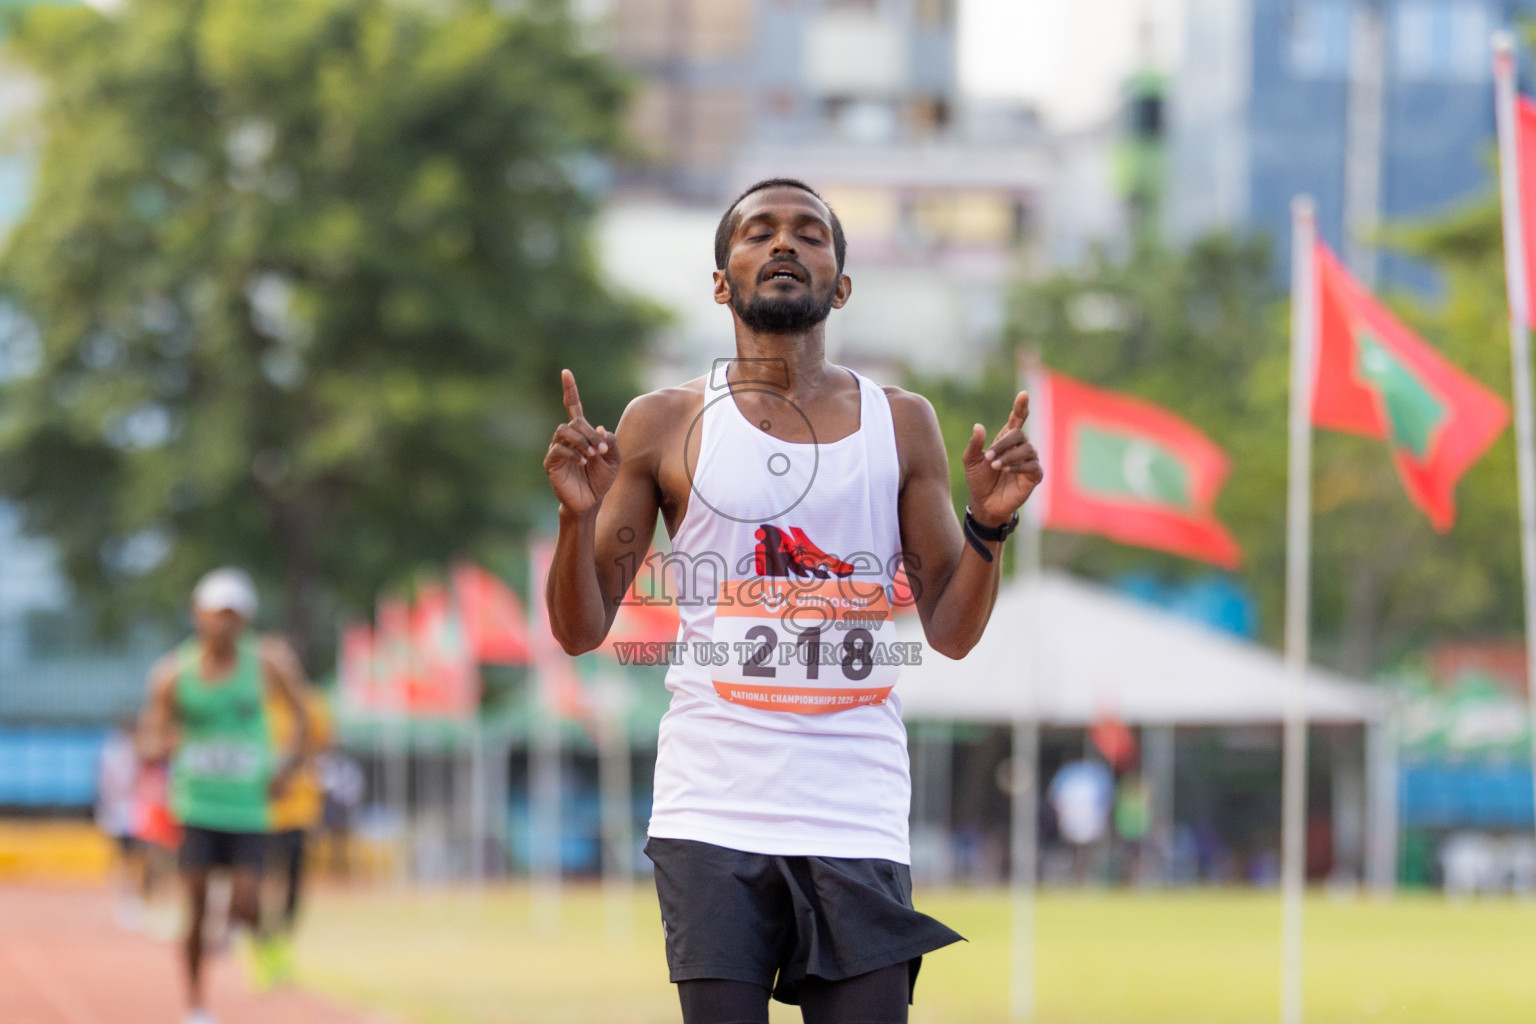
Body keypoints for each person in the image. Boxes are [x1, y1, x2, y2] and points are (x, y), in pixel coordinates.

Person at [544, 178, 1042, 1024]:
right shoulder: (662, 423)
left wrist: (988, 527)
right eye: (759, 232)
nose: (784, 244)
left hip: (855, 809)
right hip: (713, 805)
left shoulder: (903, 423)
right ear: (720, 279)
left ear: (841, 284)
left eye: (809, 234)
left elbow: (951, 632)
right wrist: (575, 515)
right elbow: (581, 626)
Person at [138, 567, 311, 1024]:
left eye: (234, 616)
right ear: (198, 616)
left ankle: (264, 943)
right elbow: (149, 735)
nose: (224, 625)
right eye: (217, 615)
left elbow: (301, 715)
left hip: (249, 806)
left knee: (246, 900)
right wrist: (160, 746)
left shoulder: (268, 662)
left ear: (247, 619)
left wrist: (288, 764)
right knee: (194, 908)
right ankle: (196, 1004)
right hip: (197, 805)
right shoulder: (174, 673)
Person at [260, 679, 333, 985]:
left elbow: (326, 745)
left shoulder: (311, 704)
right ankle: (263, 945)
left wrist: (299, 760)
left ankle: (282, 943)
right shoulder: (257, 704)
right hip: (261, 813)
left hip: (300, 811)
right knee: (258, 885)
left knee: (293, 883)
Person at [97, 716, 147, 930]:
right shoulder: (121, 752)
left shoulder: (118, 752)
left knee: (131, 857)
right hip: (123, 812)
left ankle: (127, 896)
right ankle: (124, 897)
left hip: (130, 813)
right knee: (127, 857)